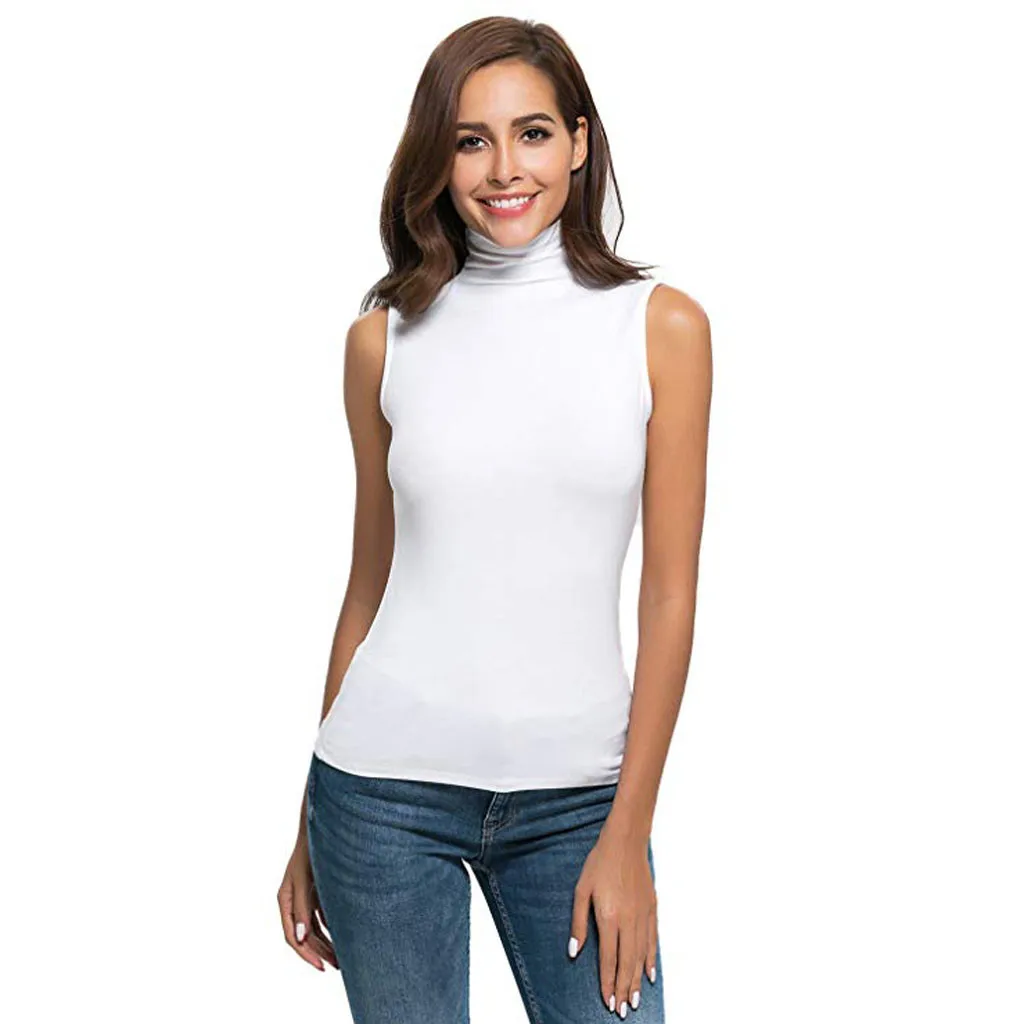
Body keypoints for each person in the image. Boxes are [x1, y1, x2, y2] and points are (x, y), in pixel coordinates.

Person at [278, 15, 711, 1023]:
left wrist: (627, 832)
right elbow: (369, 588)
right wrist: (307, 822)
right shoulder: (382, 340)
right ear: (437, 157)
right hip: (378, 795)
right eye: (471, 140)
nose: (504, 168)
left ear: (579, 143)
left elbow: (669, 596)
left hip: (580, 802)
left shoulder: (660, 328)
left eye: (533, 133)